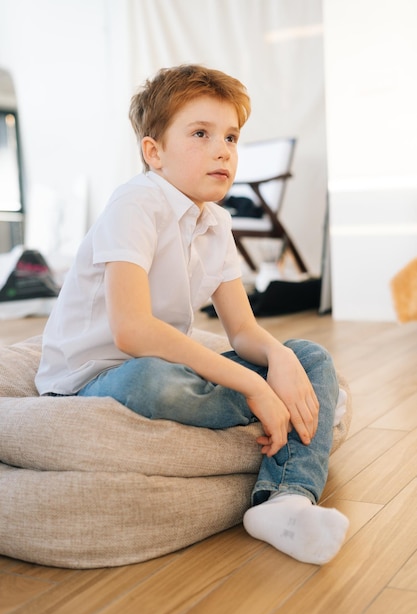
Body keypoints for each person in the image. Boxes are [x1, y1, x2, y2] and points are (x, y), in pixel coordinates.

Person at [35, 64, 349, 565]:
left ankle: (285, 500)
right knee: (150, 382)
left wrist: (277, 361)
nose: (223, 149)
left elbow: (242, 329)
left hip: (172, 370)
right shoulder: (136, 203)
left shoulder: (215, 221)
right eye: (200, 134)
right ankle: (304, 407)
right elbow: (132, 331)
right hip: (96, 379)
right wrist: (258, 387)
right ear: (153, 152)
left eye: (231, 136)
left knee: (307, 354)